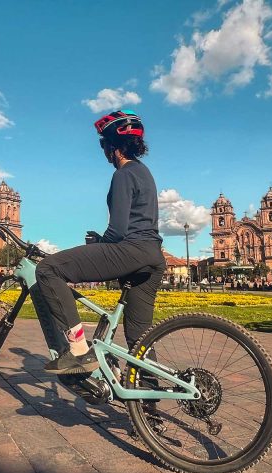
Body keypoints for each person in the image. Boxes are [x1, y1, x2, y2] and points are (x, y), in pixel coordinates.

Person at [36, 110, 165, 374]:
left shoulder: (123, 174)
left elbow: (117, 231)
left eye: (103, 145)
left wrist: (99, 243)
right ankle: (147, 402)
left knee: (48, 269)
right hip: (153, 255)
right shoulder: (144, 172)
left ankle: (79, 352)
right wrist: (99, 242)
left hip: (131, 251)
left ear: (112, 147)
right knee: (139, 337)